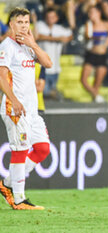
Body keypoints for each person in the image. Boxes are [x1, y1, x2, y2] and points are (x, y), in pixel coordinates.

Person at [0, 7, 52, 210]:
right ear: (11, 24)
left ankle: (7, 184)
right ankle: (19, 199)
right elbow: (2, 76)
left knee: (42, 148)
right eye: (19, 22)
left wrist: (33, 44)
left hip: (32, 109)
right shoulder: (6, 46)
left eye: (26, 22)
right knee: (20, 148)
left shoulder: (28, 47)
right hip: (15, 107)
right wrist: (14, 99)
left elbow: (48, 63)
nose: (23, 25)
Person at [35, 8, 73, 99]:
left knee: (49, 91)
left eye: (52, 17)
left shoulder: (59, 29)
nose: (50, 19)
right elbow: (36, 36)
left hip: (55, 66)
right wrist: (57, 38)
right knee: (44, 91)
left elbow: (70, 36)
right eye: (48, 17)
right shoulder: (40, 26)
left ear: (56, 18)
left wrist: (64, 39)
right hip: (42, 66)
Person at [81, 6, 108, 103]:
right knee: (84, 80)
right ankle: (97, 96)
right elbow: (87, 37)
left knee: (97, 83)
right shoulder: (89, 25)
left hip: (102, 56)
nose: (91, 15)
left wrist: (106, 44)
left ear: (99, 13)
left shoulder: (106, 24)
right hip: (91, 54)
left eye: (93, 12)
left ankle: (95, 101)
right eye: (89, 13)